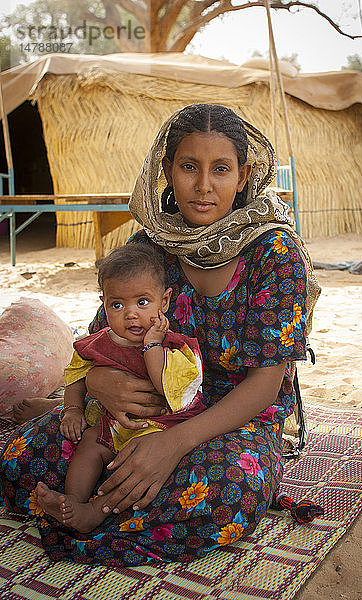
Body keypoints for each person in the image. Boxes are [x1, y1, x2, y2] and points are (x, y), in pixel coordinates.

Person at [0, 103, 320, 566]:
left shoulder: (275, 253)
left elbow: (265, 384)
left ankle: (89, 512)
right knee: (19, 456)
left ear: (244, 175)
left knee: (230, 491)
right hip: (137, 411)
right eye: (189, 166)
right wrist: (96, 385)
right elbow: (100, 337)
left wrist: (172, 443)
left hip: (232, 419)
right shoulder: (149, 245)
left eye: (221, 169)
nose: (204, 185)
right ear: (168, 170)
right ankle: (96, 504)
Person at [34, 243, 204, 533]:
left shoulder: (176, 346)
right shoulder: (98, 343)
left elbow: (165, 385)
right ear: (103, 303)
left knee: (135, 468)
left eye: (142, 302)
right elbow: (76, 372)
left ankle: (96, 511)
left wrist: (152, 345)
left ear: (163, 302)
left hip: (160, 429)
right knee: (89, 444)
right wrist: (72, 409)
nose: (130, 314)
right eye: (117, 305)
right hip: (112, 427)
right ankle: (72, 503)